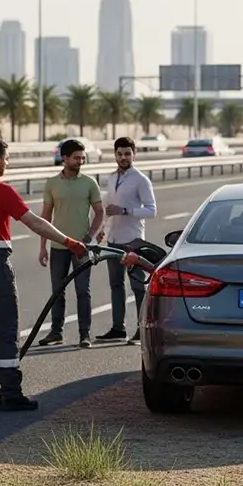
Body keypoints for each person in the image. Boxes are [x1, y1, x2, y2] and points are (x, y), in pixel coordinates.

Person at [0, 137, 88, 412]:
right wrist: (69, 242)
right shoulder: (3, 191)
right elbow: (34, 222)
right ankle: (10, 393)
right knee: (7, 332)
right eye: (6, 160)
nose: (6, 165)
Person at [36, 138, 105, 349]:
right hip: (58, 247)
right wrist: (42, 247)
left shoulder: (89, 182)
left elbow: (99, 212)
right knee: (58, 291)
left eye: (82, 158)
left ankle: (85, 334)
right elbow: (45, 218)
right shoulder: (52, 183)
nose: (80, 161)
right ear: (64, 158)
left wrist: (90, 236)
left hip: (81, 248)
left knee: (83, 291)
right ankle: (57, 332)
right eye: (76, 158)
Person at [95, 136, 157, 345]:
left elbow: (152, 210)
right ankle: (117, 328)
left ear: (134, 154)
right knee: (115, 285)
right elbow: (108, 208)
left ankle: (142, 329)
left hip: (133, 241)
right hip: (113, 239)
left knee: (138, 286)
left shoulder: (141, 180)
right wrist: (102, 229)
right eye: (120, 154)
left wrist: (126, 210)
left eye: (127, 154)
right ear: (115, 155)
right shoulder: (111, 178)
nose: (123, 157)